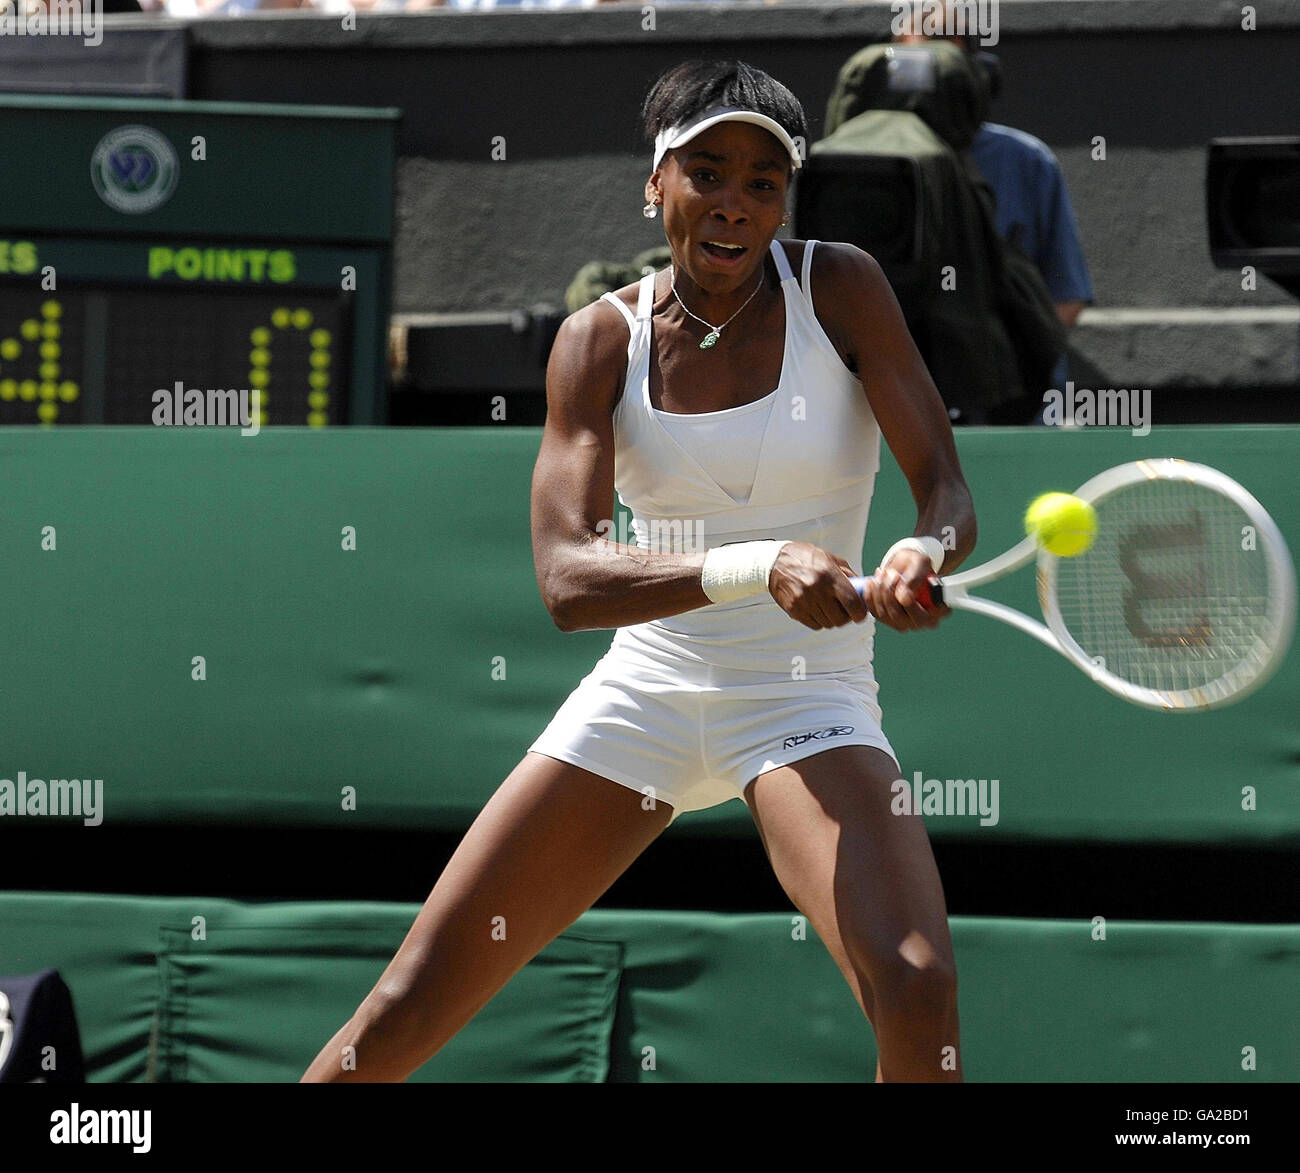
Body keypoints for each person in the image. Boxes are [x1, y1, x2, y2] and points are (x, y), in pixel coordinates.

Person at [301, 59, 977, 1084]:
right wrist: (762, 563)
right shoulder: (595, 343)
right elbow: (568, 579)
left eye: (763, 181)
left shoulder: (840, 287)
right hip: (646, 694)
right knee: (400, 1013)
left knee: (916, 983)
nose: (735, 205)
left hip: (806, 703)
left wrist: (921, 551)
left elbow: (946, 491)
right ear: (652, 183)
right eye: (707, 171)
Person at [895, 12, 1095, 423]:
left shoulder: (1026, 162)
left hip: (1018, 417)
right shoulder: (869, 167)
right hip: (903, 413)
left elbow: (1067, 296)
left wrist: (1002, 366)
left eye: (943, 63)